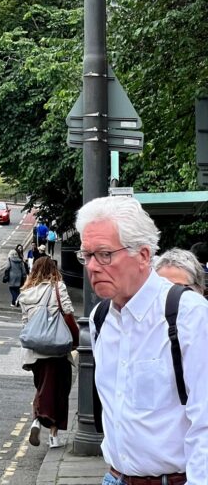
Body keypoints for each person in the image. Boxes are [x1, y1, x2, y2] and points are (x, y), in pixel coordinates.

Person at [76, 195, 208, 485]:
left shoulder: (188, 315)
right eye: (87, 255)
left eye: (105, 254)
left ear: (144, 255)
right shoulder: (100, 319)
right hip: (114, 478)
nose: (93, 267)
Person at [20, 256, 79, 449]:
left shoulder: (26, 293)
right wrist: (75, 339)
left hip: (36, 349)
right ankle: (52, 434)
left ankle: (38, 421)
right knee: (60, 390)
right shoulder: (58, 287)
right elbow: (68, 313)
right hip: (57, 347)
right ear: (53, 270)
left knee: (43, 388)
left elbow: (25, 322)